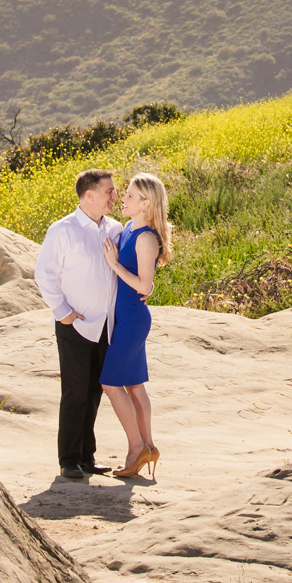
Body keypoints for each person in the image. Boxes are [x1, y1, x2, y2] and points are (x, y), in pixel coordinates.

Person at [36, 167, 124, 481]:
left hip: (106, 326)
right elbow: (44, 274)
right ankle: (69, 459)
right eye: (109, 191)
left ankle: (88, 457)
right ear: (89, 195)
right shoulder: (63, 230)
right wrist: (64, 312)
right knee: (74, 392)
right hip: (74, 324)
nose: (114, 196)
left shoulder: (114, 228)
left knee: (94, 391)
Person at [100, 171, 171, 479]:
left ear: (145, 203)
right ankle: (149, 447)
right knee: (133, 385)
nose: (122, 199)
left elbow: (144, 286)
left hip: (132, 319)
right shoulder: (129, 228)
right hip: (125, 316)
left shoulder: (145, 239)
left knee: (111, 383)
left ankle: (136, 448)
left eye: (128, 195)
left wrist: (114, 265)